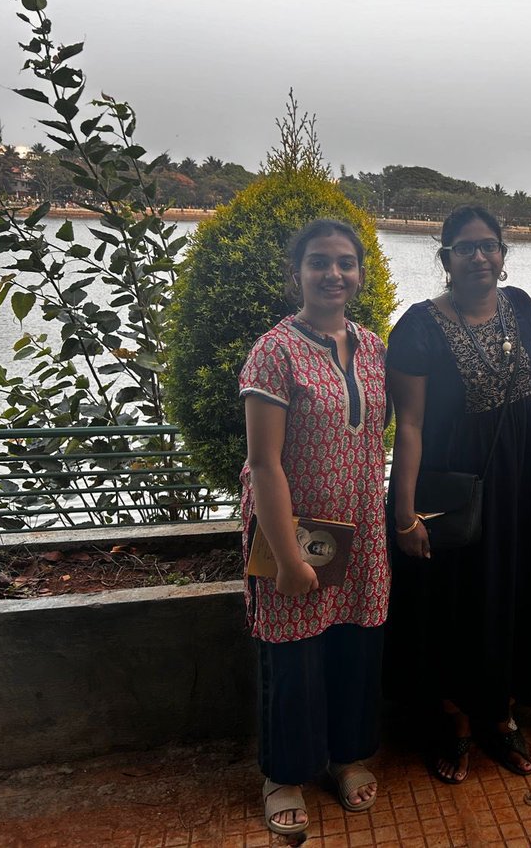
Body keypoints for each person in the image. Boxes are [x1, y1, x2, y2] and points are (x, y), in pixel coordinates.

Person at [387, 205, 531, 784]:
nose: (480, 256)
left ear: (503, 256)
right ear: (446, 259)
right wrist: (403, 510)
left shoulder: (524, 309)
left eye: (489, 246)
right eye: (466, 248)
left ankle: (502, 716)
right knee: (455, 599)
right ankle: (457, 722)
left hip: (519, 480)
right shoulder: (417, 325)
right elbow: (407, 424)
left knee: (511, 589)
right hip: (453, 485)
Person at [239, 219, 389, 837]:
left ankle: (346, 756)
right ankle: (284, 773)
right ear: (296, 272)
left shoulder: (374, 345)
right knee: (293, 654)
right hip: (293, 530)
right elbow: (264, 463)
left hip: (362, 526)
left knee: (356, 645)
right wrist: (286, 553)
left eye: (346, 263)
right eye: (319, 263)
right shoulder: (274, 351)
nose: (334, 274)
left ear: (359, 273)